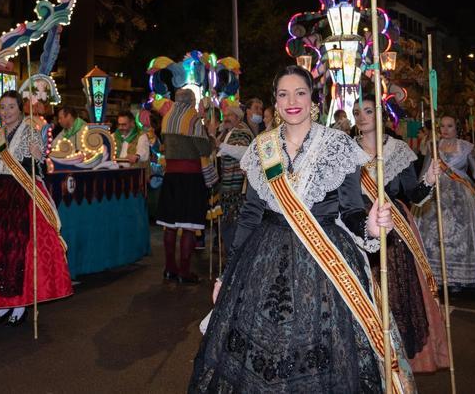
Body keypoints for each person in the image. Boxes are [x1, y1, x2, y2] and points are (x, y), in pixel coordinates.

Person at [190, 66, 405, 392]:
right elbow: (250, 216)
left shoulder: (338, 146)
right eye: (283, 94)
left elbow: (350, 212)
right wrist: (226, 274)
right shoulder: (262, 147)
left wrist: (372, 228)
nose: (292, 101)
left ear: (312, 99)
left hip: (324, 266)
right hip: (264, 261)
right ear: (275, 103)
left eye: (300, 93)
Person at [0, 91, 71, 325]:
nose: (5, 112)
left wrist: (38, 158)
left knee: (17, 250)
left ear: (20, 108)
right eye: (2, 107)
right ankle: (3, 301)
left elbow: (38, 170)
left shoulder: (30, 131)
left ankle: (20, 304)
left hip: (21, 194)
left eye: (10, 107)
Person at [354, 98, 450, 374]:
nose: (362, 117)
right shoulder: (347, 151)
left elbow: (413, 195)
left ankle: (400, 353)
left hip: (395, 231)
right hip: (358, 227)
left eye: (368, 111)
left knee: (398, 292)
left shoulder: (398, 150)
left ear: (381, 116)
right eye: (357, 112)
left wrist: (429, 179)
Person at [414, 115, 475, 290]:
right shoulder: (433, 146)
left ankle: (462, 276)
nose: (445, 130)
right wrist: (418, 195)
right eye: (442, 126)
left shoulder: (467, 147)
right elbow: (425, 172)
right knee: (434, 234)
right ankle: (436, 276)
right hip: (436, 195)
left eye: (449, 126)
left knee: (461, 235)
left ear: (457, 128)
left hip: (462, 196)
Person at [156, 89, 212, 284]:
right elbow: (204, 148)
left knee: (170, 226)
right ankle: (184, 272)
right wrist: (210, 135)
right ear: (191, 101)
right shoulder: (193, 119)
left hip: (170, 176)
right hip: (190, 177)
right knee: (189, 225)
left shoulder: (167, 117)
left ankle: (169, 268)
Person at [213, 102, 254, 249]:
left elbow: (244, 152)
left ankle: (235, 259)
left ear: (238, 117)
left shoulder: (242, 130)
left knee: (234, 225)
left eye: (229, 115)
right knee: (228, 225)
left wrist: (221, 146)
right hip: (227, 188)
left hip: (237, 189)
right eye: (225, 115)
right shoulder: (226, 133)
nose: (226, 118)